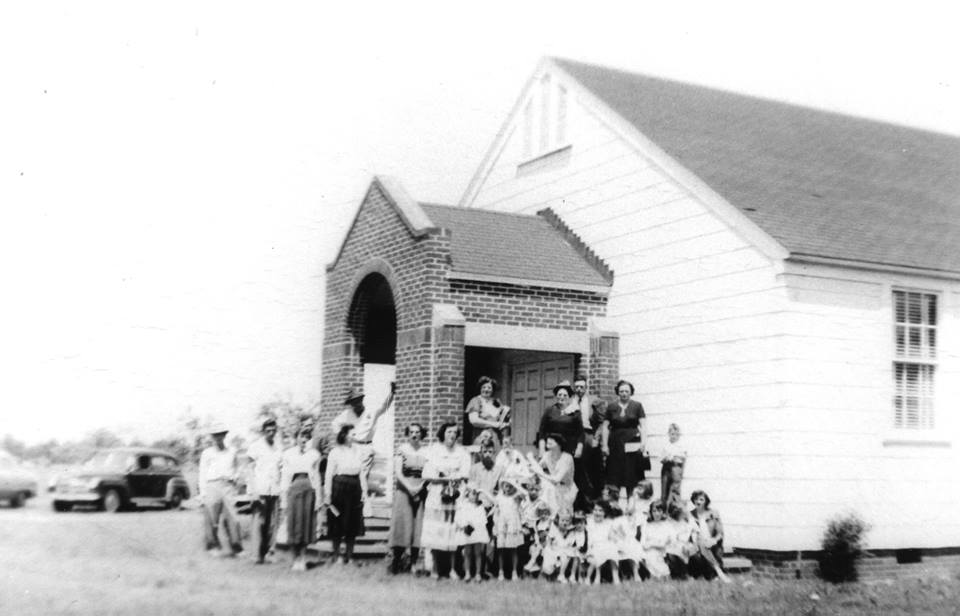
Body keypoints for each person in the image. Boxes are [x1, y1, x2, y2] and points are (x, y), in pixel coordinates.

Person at [421, 421, 471, 579]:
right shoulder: (434, 450)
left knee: (452, 532)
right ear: (443, 433)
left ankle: (452, 569)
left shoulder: (462, 452)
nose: (452, 435)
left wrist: (451, 477)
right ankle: (435, 568)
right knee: (437, 531)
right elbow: (427, 474)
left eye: (455, 432)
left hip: (454, 495)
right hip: (437, 495)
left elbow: (464, 474)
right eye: (449, 432)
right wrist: (443, 477)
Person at [331, 383, 395, 495]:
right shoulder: (347, 414)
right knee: (352, 472)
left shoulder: (371, 411)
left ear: (362, 400)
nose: (357, 404)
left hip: (366, 446)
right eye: (354, 402)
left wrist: (392, 393)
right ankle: (352, 497)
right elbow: (334, 424)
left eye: (358, 401)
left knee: (363, 475)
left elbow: (384, 407)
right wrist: (343, 437)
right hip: (353, 446)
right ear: (350, 404)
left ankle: (362, 500)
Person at [324, 424, 367, 565]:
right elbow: (329, 474)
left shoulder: (359, 451)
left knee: (352, 523)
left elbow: (362, 472)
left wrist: (364, 490)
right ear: (345, 435)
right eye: (352, 434)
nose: (354, 437)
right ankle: (336, 555)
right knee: (337, 522)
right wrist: (328, 494)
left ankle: (349, 555)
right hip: (339, 488)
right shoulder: (335, 452)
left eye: (355, 434)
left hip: (355, 488)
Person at [198, 422, 243, 558]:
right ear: (212, 437)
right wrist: (203, 493)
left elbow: (238, 468)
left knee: (233, 517)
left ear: (225, 435)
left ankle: (237, 547)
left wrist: (234, 478)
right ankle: (213, 546)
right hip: (212, 485)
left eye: (221, 435)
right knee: (212, 518)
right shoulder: (207, 453)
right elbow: (202, 473)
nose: (218, 438)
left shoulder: (232, 451)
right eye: (215, 435)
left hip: (228, 485)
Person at [388, 422, 428, 574]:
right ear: (408, 433)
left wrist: (420, 487)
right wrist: (410, 488)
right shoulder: (402, 450)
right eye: (411, 432)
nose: (414, 434)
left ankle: (413, 564)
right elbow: (398, 473)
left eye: (417, 432)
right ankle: (396, 562)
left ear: (421, 434)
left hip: (420, 490)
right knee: (402, 525)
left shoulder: (426, 451)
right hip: (404, 490)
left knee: (418, 526)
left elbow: (429, 471)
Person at [281, 427, 321, 571]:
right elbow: (285, 477)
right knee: (293, 524)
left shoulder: (314, 454)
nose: (304, 440)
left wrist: (318, 498)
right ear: (296, 437)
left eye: (307, 437)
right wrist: (284, 498)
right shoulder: (288, 454)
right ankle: (293, 559)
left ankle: (302, 559)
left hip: (308, 490)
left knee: (305, 524)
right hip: (294, 489)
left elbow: (316, 476)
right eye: (301, 436)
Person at [602, 379, 647, 497]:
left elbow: (643, 425)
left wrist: (643, 443)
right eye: (621, 391)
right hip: (615, 444)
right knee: (614, 477)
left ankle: (631, 506)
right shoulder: (611, 407)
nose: (624, 393)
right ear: (617, 392)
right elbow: (606, 427)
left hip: (632, 444)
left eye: (627, 391)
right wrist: (605, 445)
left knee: (631, 477)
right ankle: (613, 508)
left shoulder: (637, 406)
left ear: (631, 392)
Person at [247, 417, 283, 564]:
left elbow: (280, 469)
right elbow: (249, 469)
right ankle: (256, 554)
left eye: (273, 430)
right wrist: (254, 491)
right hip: (260, 489)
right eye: (268, 430)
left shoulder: (278, 448)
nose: (271, 433)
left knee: (272, 524)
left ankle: (268, 552)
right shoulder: (255, 446)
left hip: (274, 490)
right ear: (263, 431)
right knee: (258, 523)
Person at [572, 375, 605, 501]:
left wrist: (596, 438)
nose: (579, 389)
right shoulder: (570, 401)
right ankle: (578, 499)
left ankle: (591, 498)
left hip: (588, 435)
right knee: (575, 467)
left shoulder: (593, 401)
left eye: (581, 387)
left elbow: (602, 421)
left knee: (590, 467)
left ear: (586, 387)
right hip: (574, 436)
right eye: (577, 387)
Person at [688, 490, 731, 583]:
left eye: (701, 499)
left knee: (704, 544)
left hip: (711, 542)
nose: (698, 502)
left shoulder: (713, 513)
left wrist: (714, 540)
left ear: (706, 501)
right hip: (697, 543)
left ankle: (714, 573)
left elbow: (720, 533)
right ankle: (718, 571)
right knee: (701, 542)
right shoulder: (690, 514)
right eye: (696, 499)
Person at [528, 433, 577, 514]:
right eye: (548, 439)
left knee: (564, 514)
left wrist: (539, 472)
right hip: (553, 489)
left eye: (552, 439)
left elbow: (556, 479)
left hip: (567, 490)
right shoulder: (547, 455)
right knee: (550, 513)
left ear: (559, 444)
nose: (548, 440)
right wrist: (531, 460)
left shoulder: (567, 458)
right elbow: (538, 467)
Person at [537, 380, 584, 462]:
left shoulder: (575, 413)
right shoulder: (549, 410)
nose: (562, 397)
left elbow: (580, 433)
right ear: (556, 396)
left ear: (569, 397)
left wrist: (579, 449)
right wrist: (541, 449)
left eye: (565, 395)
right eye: (559, 395)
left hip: (569, 449)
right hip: (552, 448)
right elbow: (542, 431)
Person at [455, 484, 490, 583]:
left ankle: (478, 574)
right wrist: (466, 489)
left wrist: (482, 490)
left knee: (478, 553)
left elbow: (494, 503)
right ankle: (467, 573)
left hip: (478, 531)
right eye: (473, 494)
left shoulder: (480, 506)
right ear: (467, 494)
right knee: (467, 553)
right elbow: (459, 503)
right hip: (467, 531)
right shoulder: (463, 504)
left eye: (476, 495)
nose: (475, 496)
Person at [493, 478, 526, 581]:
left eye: (510, 486)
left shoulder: (516, 497)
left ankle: (514, 572)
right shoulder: (499, 497)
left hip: (513, 525)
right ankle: (501, 571)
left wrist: (515, 485)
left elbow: (525, 494)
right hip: (502, 525)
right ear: (502, 487)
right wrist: (495, 525)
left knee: (513, 549)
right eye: (506, 486)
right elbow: (496, 512)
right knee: (501, 549)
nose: (508, 488)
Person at [464, 376, 510, 445]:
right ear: (480, 388)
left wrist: (506, 423)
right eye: (484, 387)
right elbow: (474, 420)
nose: (486, 390)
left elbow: (503, 418)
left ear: (492, 390)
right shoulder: (475, 401)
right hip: (482, 437)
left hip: (497, 438)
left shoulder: (496, 402)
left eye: (489, 388)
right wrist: (494, 424)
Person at [585, 501, 621, 585]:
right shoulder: (589, 522)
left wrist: (617, 540)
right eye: (595, 510)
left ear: (605, 513)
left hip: (605, 545)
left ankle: (615, 577)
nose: (597, 513)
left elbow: (612, 537)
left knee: (612, 548)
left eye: (600, 511)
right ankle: (598, 576)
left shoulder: (608, 523)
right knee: (598, 550)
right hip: (592, 546)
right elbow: (589, 539)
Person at [664, 503, 696, 580]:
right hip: (673, 546)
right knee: (673, 552)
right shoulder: (669, 523)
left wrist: (693, 543)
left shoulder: (689, 521)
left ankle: (686, 573)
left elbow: (695, 533)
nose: (682, 513)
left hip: (687, 545)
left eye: (682, 511)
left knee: (690, 551)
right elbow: (671, 538)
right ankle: (681, 574)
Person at [640, 501, 671, 579]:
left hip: (661, 550)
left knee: (653, 554)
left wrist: (651, 544)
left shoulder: (666, 525)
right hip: (648, 550)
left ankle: (659, 574)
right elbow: (643, 543)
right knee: (646, 554)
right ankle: (655, 575)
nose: (657, 513)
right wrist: (650, 544)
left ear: (663, 512)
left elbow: (664, 544)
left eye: (659, 511)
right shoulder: (646, 525)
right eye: (654, 511)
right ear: (651, 512)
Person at [660, 423, 686, 507]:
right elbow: (661, 459)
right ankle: (663, 510)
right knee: (664, 490)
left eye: (676, 434)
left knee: (675, 490)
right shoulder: (666, 445)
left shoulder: (681, 445)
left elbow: (682, 458)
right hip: (666, 467)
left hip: (676, 468)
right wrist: (666, 458)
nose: (674, 436)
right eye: (672, 434)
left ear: (678, 435)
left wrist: (674, 456)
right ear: (669, 434)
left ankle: (675, 511)